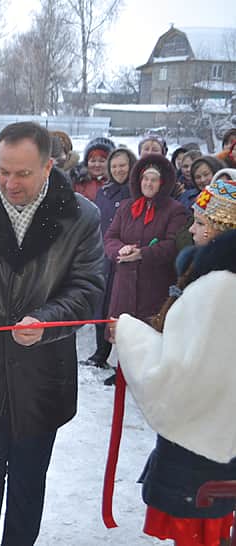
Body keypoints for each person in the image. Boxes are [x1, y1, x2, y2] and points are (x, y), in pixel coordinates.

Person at [0, 122, 105, 546]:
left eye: (23, 173)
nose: (9, 183)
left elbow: (87, 288)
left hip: (42, 374)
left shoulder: (81, 217)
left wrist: (48, 320)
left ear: (48, 166)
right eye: (2, 171)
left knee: (29, 486)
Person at [113, 179, 236, 546]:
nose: (192, 229)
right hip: (223, 436)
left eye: (200, 223)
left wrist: (129, 334)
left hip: (200, 444)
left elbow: (179, 372)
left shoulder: (217, 288)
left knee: (201, 535)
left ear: (222, 230)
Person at [103, 154, 189, 385]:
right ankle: (122, 372)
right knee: (123, 328)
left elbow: (173, 245)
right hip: (125, 281)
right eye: (145, 179)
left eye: (154, 180)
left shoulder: (175, 210)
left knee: (148, 331)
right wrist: (120, 250)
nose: (148, 184)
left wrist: (143, 253)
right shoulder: (127, 207)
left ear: (163, 183)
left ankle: (146, 378)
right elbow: (110, 237)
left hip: (154, 282)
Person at [83, 147, 137, 368]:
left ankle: (123, 362)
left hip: (126, 256)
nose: (118, 169)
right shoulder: (104, 192)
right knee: (101, 304)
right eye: (114, 166)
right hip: (103, 255)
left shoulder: (136, 192)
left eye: (122, 165)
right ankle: (100, 353)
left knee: (122, 308)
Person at [75, 137, 114, 202]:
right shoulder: (77, 181)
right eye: (93, 161)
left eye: (102, 161)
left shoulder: (115, 183)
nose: (97, 165)